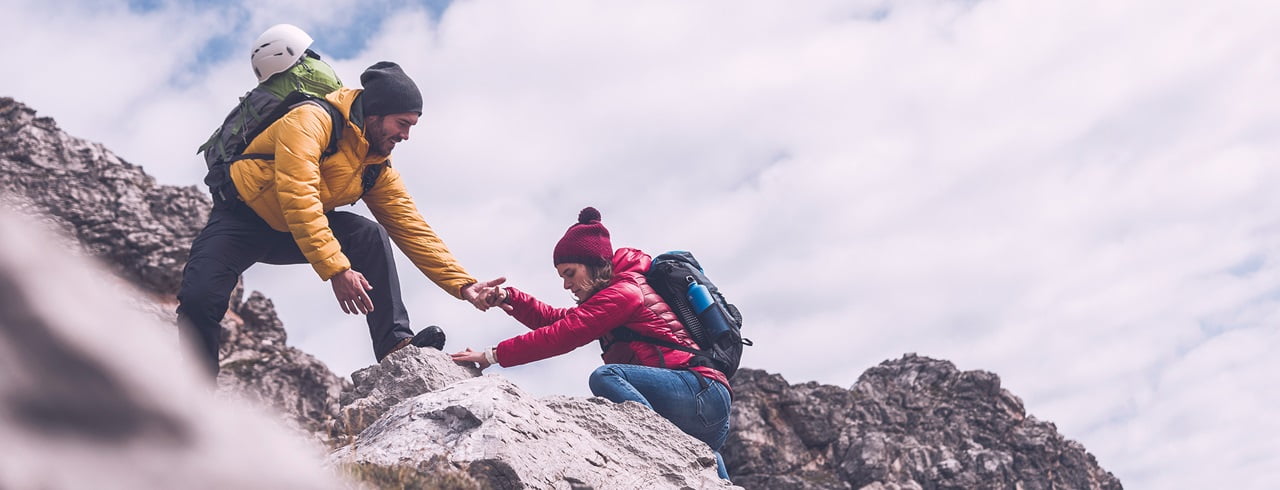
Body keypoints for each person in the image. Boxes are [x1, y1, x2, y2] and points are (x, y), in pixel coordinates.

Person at [177, 30, 502, 376]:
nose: (406, 135)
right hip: (240, 220)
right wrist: (337, 269)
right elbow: (297, 192)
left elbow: (413, 228)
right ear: (376, 112)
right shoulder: (310, 120)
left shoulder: (375, 165)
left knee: (369, 235)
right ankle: (197, 397)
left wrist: (464, 285)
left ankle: (395, 344)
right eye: (402, 123)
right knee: (199, 299)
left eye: (411, 126)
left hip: (295, 229)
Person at [451, 207, 733, 480]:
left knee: (606, 377)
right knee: (709, 462)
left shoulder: (625, 293)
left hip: (699, 392)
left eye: (570, 273)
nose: (566, 285)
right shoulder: (615, 294)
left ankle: (655, 444)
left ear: (593, 264)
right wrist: (509, 297)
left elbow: (564, 334)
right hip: (706, 407)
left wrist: (491, 355)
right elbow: (557, 321)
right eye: (562, 276)